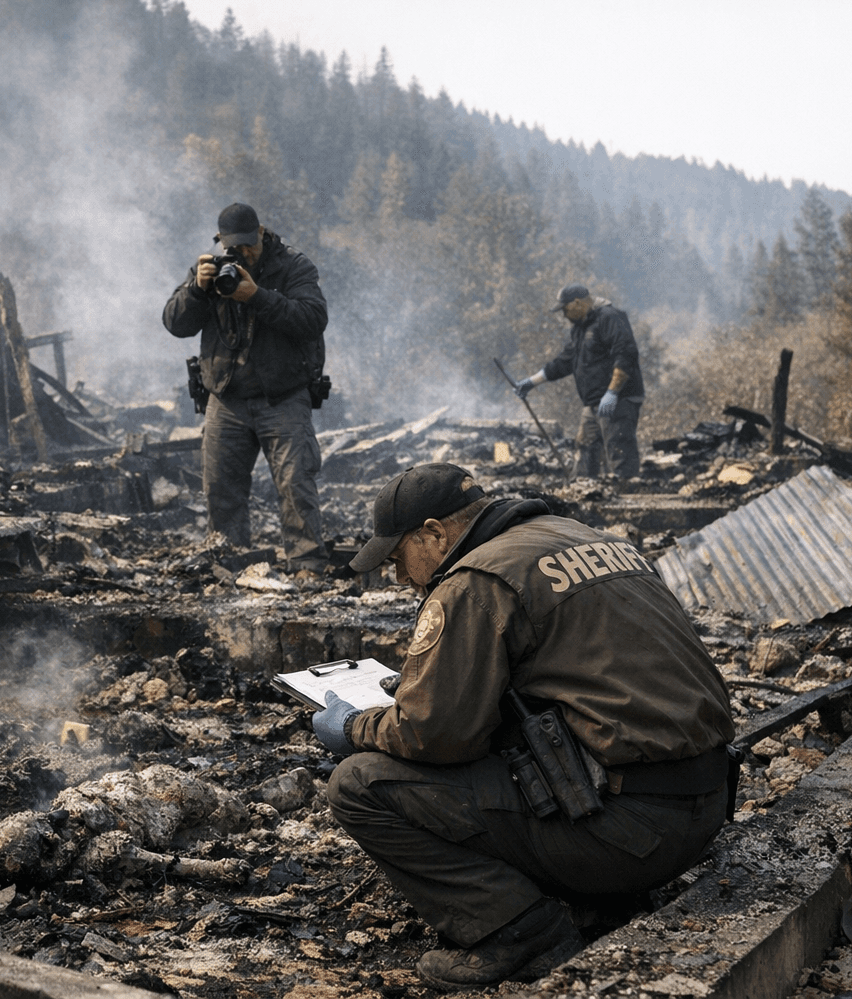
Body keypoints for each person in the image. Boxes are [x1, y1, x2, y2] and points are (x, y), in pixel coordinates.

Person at [315, 463, 735, 991]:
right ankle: (595, 894)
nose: (400, 577)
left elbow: (433, 734)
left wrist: (352, 726)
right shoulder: (590, 540)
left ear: (433, 532)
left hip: (630, 837)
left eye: (399, 557)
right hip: (705, 811)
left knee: (358, 785)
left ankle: (521, 932)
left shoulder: (475, 581)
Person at [163, 202, 331, 571]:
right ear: (220, 241)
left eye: (248, 245)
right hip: (226, 398)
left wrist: (257, 296)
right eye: (233, 247)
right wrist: (197, 289)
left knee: (295, 486)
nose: (242, 254)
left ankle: (308, 569)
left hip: (283, 396)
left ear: (261, 233)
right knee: (221, 490)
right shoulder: (208, 269)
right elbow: (175, 323)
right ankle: (229, 564)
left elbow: (313, 318)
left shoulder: (292, 266)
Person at [514, 284, 644, 479]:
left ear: (577, 303)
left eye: (565, 309)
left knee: (619, 450)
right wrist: (532, 382)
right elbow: (565, 361)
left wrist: (613, 393)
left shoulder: (610, 317)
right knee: (584, 447)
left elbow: (625, 355)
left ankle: (627, 501)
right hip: (593, 402)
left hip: (619, 400)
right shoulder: (580, 329)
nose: (564, 315)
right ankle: (584, 495)